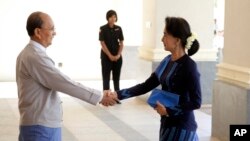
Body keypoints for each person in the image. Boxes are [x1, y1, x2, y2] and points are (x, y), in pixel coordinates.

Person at [16, 11, 117, 141]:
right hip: (40, 128)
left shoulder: (30, 53)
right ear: (37, 32)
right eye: (51, 29)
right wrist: (99, 96)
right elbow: (63, 83)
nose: (55, 33)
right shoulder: (35, 56)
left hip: (42, 125)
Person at [108, 17, 202, 141]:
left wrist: (169, 111)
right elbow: (146, 85)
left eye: (165, 35)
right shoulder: (167, 60)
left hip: (182, 128)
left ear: (177, 40)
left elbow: (196, 102)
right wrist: (117, 95)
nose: (162, 39)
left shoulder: (189, 66)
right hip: (166, 124)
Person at [99, 9, 124, 91]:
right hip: (106, 57)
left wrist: (118, 55)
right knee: (106, 77)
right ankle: (106, 96)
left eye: (114, 17)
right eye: (111, 17)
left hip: (117, 57)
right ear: (107, 18)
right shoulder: (103, 29)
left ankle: (117, 95)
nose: (113, 19)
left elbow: (121, 43)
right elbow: (102, 43)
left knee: (116, 77)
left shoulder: (119, 28)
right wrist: (110, 56)